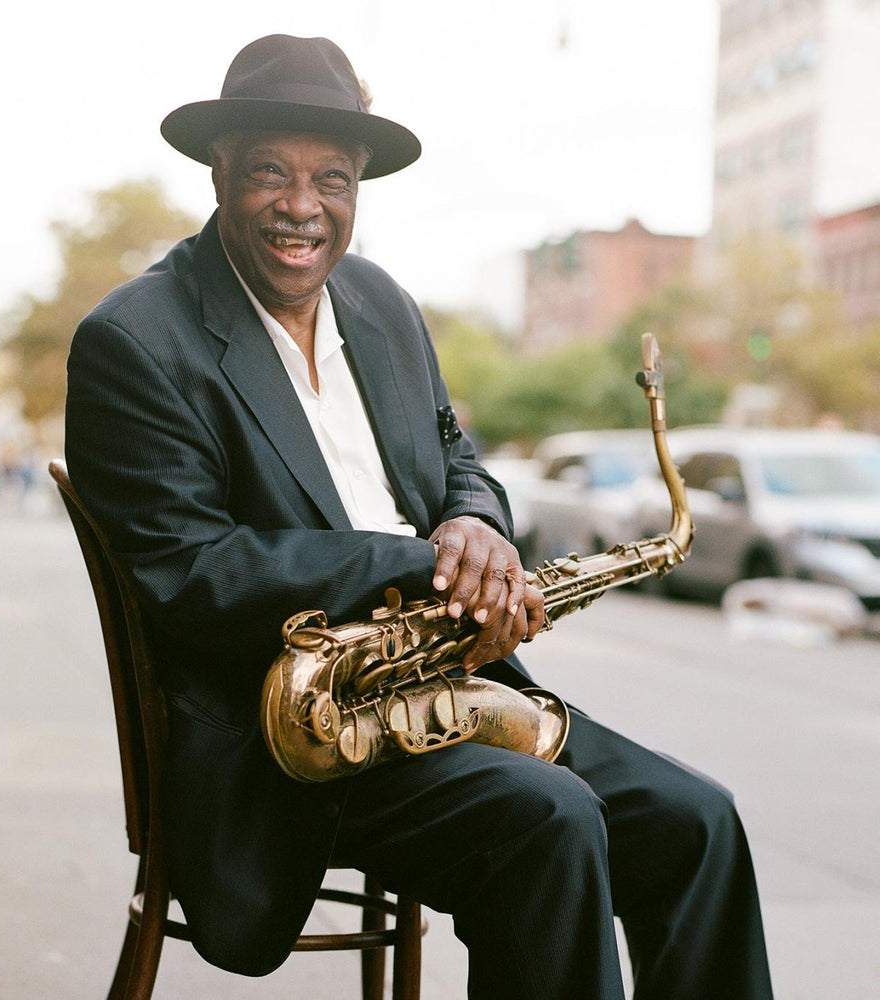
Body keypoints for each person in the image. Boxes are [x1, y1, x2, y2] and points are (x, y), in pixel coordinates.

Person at [65, 34, 773, 999]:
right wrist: (404, 562)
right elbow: (190, 574)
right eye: (270, 170)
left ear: (358, 189)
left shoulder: (382, 302)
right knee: (552, 820)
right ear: (219, 170)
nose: (302, 206)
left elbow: (460, 467)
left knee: (699, 820)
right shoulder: (135, 342)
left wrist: (477, 527)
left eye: (334, 179)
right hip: (289, 736)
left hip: (439, 683)